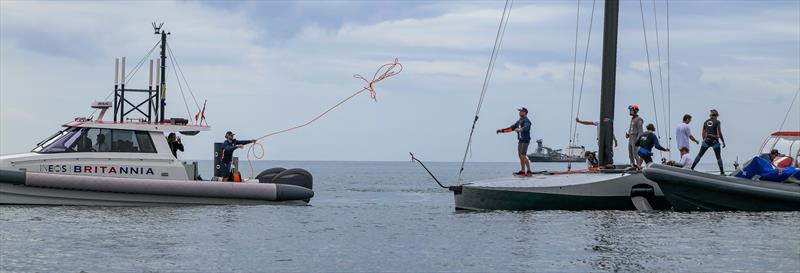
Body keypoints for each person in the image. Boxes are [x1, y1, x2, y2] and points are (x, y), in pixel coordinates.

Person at [497, 107, 533, 176]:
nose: (520, 113)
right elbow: (511, 128)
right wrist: (501, 131)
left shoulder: (527, 121)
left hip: (525, 140)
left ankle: (529, 170)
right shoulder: (519, 121)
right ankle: (522, 170)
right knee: (520, 156)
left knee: (523, 155)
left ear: (525, 113)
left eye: (521, 111)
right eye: (519, 112)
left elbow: (526, 128)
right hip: (520, 140)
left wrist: (520, 129)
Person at [690, 109, 726, 175]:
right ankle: (722, 172)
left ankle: (692, 168)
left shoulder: (705, 122)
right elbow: (719, 133)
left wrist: (704, 140)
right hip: (715, 141)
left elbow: (703, 133)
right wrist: (723, 142)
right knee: (718, 157)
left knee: (700, 155)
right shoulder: (717, 122)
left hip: (706, 140)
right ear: (716, 115)